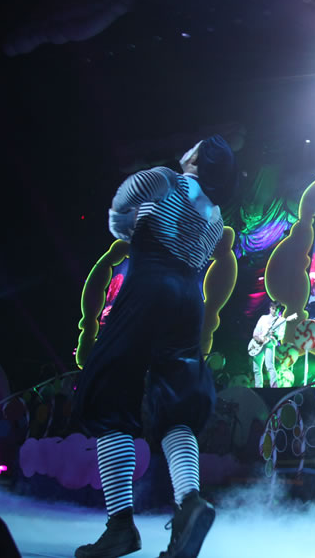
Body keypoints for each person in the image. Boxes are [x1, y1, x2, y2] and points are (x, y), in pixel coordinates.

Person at [72, 136, 237, 558]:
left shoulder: (166, 179)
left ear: (196, 157)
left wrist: (122, 223)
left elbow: (126, 197)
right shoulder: (215, 214)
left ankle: (120, 526)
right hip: (188, 300)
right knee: (176, 404)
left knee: (110, 396)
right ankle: (189, 503)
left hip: (149, 288)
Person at [248, 301, 297, 388]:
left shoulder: (281, 320)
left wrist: (275, 334)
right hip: (259, 344)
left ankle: (274, 386)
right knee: (256, 367)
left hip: (270, 344)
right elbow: (256, 332)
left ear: (279, 310)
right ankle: (258, 387)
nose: (274, 311)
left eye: (276, 309)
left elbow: (281, 335)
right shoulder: (263, 318)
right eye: (273, 308)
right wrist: (258, 339)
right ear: (270, 308)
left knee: (270, 366)